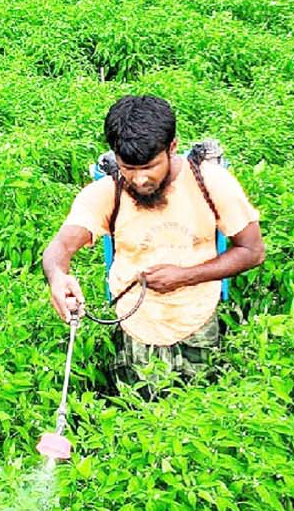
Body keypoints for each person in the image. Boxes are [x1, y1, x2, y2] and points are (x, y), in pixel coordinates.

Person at [41, 95, 265, 398]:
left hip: (198, 321)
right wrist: (58, 277)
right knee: (139, 405)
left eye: (149, 166)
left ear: (172, 147)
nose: (139, 179)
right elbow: (61, 246)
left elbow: (252, 251)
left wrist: (184, 276)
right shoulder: (108, 192)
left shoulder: (210, 183)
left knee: (203, 401)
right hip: (135, 326)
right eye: (128, 168)